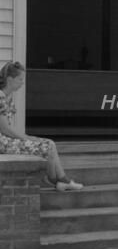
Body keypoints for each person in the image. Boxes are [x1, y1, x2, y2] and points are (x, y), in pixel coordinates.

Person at [0, 61, 83, 191]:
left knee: (50, 143)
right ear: (10, 79)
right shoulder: (0, 97)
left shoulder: (7, 97)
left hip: (7, 141)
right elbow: (4, 129)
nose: (23, 82)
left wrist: (27, 137)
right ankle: (57, 180)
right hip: (3, 144)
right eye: (20, 79)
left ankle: (60, 181)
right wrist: (26, 138)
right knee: (48, 147)